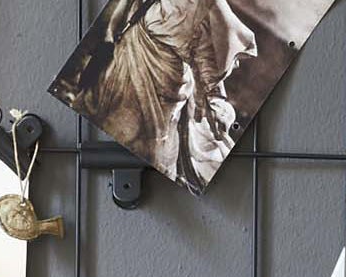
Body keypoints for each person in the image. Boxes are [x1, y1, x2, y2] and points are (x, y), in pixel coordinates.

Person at [65, 0, 257, 192]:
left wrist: (210, 97)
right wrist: (111, 34)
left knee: (148, 143)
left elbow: (210, 56)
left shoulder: (204, 7)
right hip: (127, 58)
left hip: (161, 85)